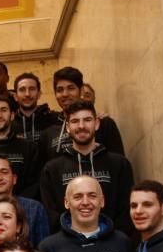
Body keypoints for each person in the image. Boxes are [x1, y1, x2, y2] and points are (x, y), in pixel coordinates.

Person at [39, 100, 135, 234]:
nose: (81, 126)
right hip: (68, 245)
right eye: (75, 121)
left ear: (96, 124)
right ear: (67, 127)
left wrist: (113, 238)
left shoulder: (119, 164)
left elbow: (125, 209)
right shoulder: (52, 169)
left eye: (87, 120)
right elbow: (51, 213)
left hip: (112, 242)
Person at [39, 67, 124, 163]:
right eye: (60, 90)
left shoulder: (104, 124)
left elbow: (119, 165)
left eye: (71, 88)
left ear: (81, 90)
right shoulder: (48, 132)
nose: (65, 94)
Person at [12, 71, 61, 144]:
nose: (27, 94)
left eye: (32, 89)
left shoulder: (54, 120)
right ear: (15, 96)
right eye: (22, 90)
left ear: (39, 94)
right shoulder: (9, 125)